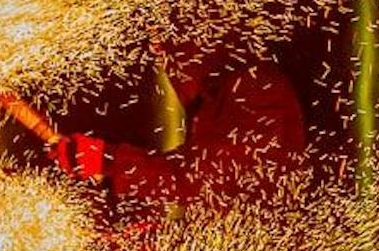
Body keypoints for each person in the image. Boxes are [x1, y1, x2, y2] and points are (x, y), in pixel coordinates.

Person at [47, 40, 306, 209]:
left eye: (167, 46)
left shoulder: (256, 89)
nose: (164, 58)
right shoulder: (224, 97)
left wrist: (107, 160)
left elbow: (195, 181)